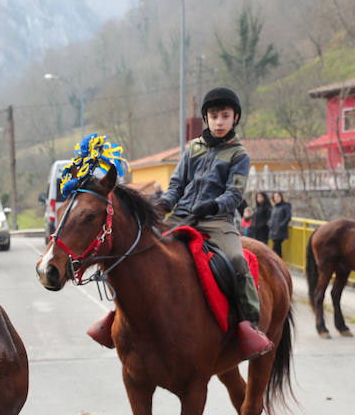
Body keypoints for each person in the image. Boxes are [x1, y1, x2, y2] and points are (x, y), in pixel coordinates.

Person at [90, 87, 270, 357]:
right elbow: (176, 186)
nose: (219, 121)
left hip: (217, 221)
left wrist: (213, 205)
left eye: (225, 115)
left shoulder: (239, 155)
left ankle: (249, 325)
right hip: (181, 216)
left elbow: (234, 194)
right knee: (138, 253)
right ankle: (119, 316)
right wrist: (160, 206)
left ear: (235, 118)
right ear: (206, 119)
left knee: (236, 261)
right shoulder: (192, 149)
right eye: (214, 116)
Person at [268, 190, 291, 258]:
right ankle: (277, 263)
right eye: (275, 197)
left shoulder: (285, 206)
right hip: (273, 230)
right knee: (276, 248)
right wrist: (269, 223)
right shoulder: (274, 207)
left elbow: (288, 217)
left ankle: (277, 263)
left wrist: (281, 225)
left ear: (281, 197)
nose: (276, 198)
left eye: (278, 197)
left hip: (280, 231)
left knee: (276, 248)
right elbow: (271, 217)